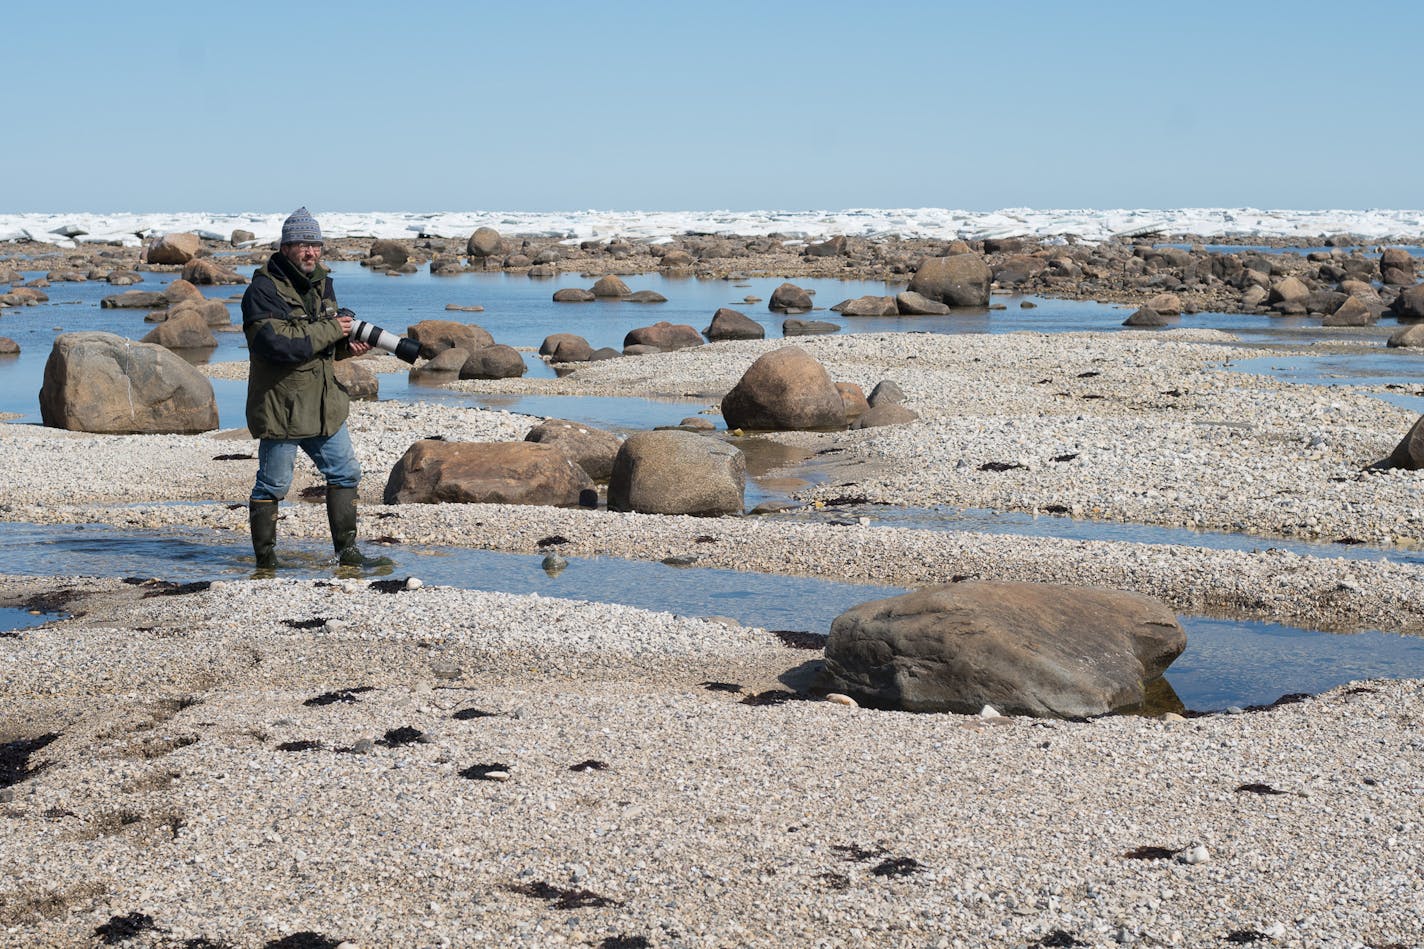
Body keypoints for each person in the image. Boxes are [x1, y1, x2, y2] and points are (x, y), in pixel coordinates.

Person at [242, 207, 387, 569]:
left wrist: (345, 346)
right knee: (273, 486)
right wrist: (331, 332)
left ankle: (347, 554)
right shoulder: (261, 290)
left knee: (346, 473)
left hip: (325, 405)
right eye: (302, 245)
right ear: (286, 247)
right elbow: (275, 344)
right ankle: (266, 560)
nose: (310, 252)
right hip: (283, 407)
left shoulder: (323, 282)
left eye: (316, 245)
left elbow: (322, 338)